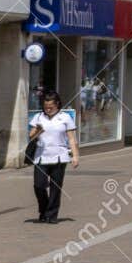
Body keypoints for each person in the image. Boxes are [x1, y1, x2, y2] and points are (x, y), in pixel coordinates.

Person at [29, 90, 79, 223]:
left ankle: (51, 215)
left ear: (57, 104)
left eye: (51, 107)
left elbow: (72, 139)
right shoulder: (39, 117)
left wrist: (75, 156)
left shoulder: (66, 117)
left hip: (59, 156)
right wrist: (38, 131)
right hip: (41, 156)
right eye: (46, 107)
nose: (48, 109)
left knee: (55, 187)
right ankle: (44, 210)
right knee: (39, 185)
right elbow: (31, 136)